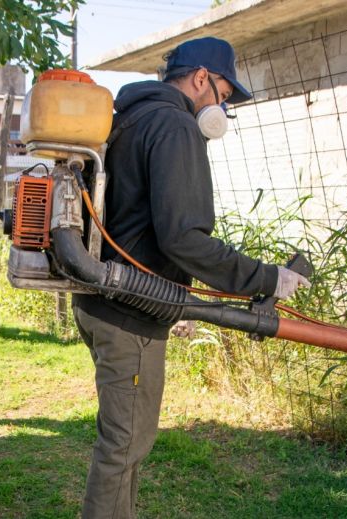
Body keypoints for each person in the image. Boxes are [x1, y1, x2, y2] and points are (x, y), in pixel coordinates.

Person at [71, 37, 311, 518]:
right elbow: (184, 237)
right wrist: (266, 278)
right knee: (123, 448)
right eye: (223, 92)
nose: (222, 105)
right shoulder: (175, 125)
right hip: (129, 315)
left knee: (126, 442)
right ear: (200, 78)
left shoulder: (131, 117)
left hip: (104, 300)